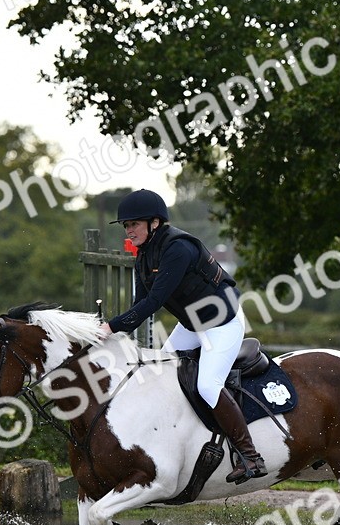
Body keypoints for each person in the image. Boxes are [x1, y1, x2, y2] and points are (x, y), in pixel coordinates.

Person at [99, 189, 266, 484]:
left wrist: (111, 327)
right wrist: (112, 331)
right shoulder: (144, 254)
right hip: (192, 324)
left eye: (134, 224)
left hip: (220, 323)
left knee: (208, 385)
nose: (129, 230)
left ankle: (250, 456)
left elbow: (154, 303)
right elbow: (140, 304)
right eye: (126, 226)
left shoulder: (177, 249)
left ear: (154, 223)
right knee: (158, 375)